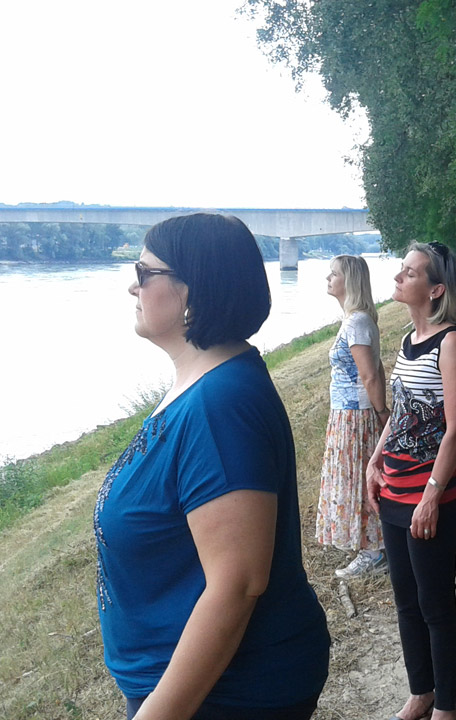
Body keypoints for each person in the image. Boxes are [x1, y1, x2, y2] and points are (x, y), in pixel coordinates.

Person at [94, 213, 329, 720]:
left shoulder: (220, 406)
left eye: (144, 272)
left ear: (192, 291)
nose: (132, 286)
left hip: (226, 694)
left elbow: (237, 584)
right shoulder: (200, 385)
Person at [366, 242, 456, 720]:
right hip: (394, 489)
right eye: (401, 269)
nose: (398, 277)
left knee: (435, 603)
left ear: (435, 290)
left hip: (431, 496)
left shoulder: (451, 343)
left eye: (410, 273)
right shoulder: (408, 340)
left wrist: (431, 496)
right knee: (406, 600)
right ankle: (421, 691)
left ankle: (448, 706)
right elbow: (402, 411)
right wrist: (374, 461)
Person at [317, 255, 390, 578]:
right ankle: (372, 546)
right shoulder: (355, 320)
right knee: (356, 480)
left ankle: (373, 552)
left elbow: (370, 374)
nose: (328, 279)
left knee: (358, 482)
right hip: (347, 412)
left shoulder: (357, 322)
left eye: (333, 274)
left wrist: (381, 412)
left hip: (355, 415)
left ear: (350, 281)